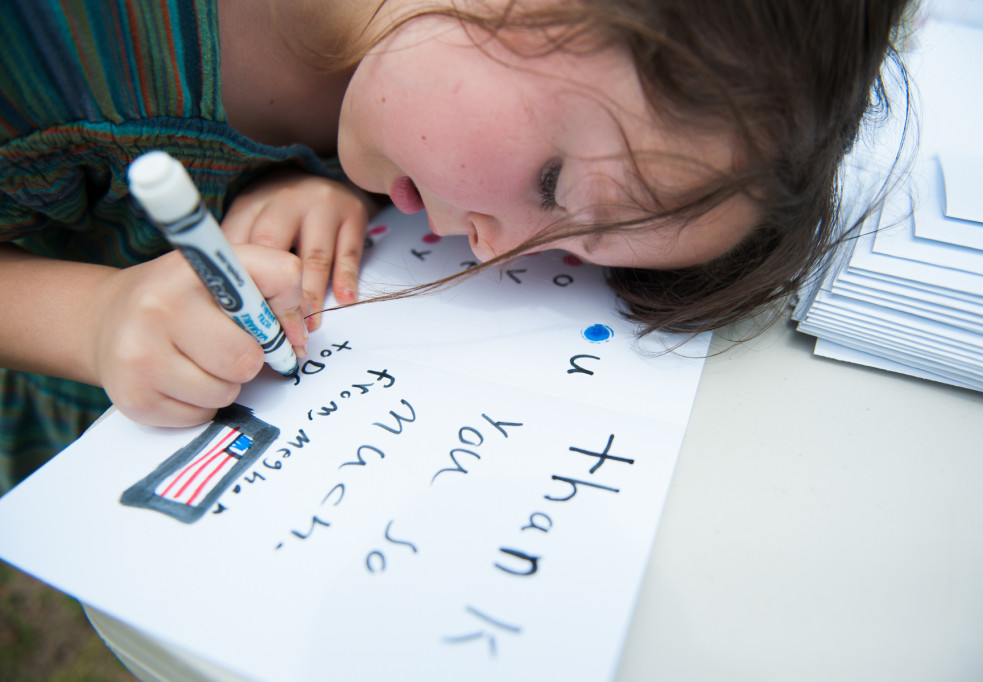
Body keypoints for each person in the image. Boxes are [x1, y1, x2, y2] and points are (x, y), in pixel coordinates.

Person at [0, 0, 912, 492]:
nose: (493, 251)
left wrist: (295, 179)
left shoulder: (413, 84)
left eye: (573, 254)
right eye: (554, 186)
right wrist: (91, 317)